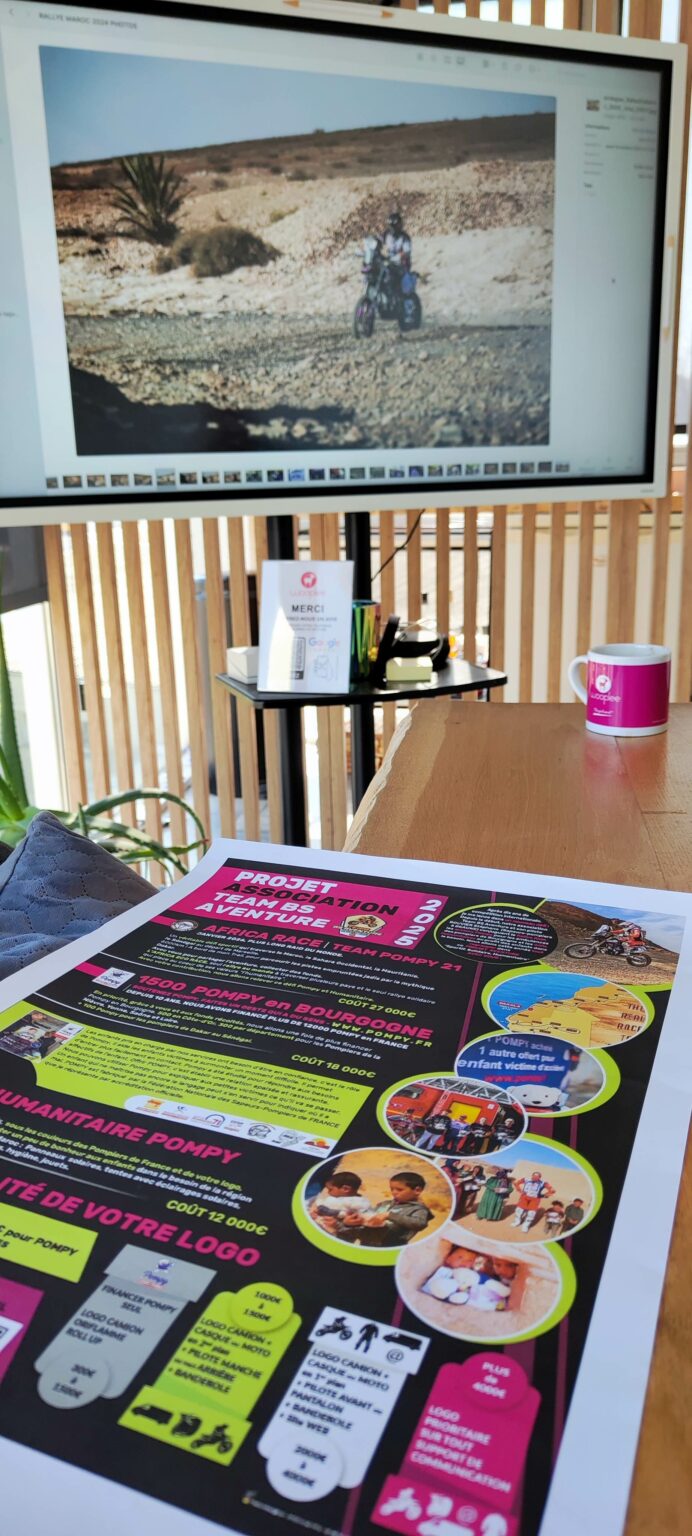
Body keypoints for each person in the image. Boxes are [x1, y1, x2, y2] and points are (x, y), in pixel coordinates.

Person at [342, 1171, 433, 1246]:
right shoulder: (384, 1204)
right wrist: (356, 1220)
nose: (394, 1192)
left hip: (389, 1247)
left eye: (399, 1189)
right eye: (392, 1189)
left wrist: (390, 1215)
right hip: (367, 1244)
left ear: (417, 1190)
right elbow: (369, 1218)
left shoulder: (418, 1209)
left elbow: (420, 1224)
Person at [381, 210, 412, 295]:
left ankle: (395, 296)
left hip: (401, 265)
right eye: (397, 224)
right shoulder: (386, 234)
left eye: (399, 224)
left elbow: (407, 251)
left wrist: (399, 256)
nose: (399, 226)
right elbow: (378, 241)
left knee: (391, 278)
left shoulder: (405, 237)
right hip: (389, 262)